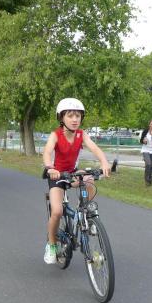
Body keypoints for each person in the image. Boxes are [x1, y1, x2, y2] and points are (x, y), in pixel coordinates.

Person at [42, 98, 111, 264]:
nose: (75, 120)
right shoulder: (55, 135)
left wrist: (104, 162)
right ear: (61, 118)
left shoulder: (82, 134)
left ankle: (85, 213)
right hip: (57, 175)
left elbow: (94, 148)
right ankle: (51, 244)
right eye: (70, 116)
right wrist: (50, 168)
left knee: (89, 180)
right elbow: (47, 152)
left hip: (72, 173)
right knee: (57, 211)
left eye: (78, 116)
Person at [139, 120, 152, 186]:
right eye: (151, 124)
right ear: (149, 125)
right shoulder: (145, 131)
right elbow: (141, 140)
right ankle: (146, 179)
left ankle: (150, 180)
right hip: (145, 150)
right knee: (148, 164)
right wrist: (144, 141)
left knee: (151, 165)